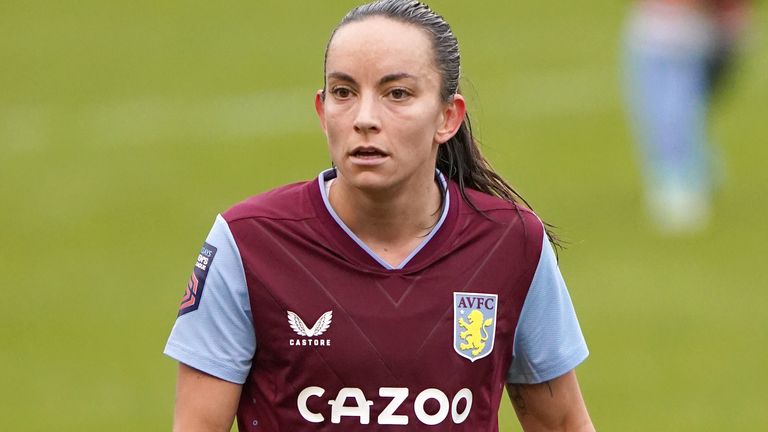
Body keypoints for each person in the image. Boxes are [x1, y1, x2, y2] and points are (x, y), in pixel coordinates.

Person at [164, 1, 594, 430]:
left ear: (448, 118)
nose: (364, 119)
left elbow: (562, 423)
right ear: (321, 110)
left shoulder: (511, 244)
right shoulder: (247, 244)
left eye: (397, 94)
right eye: (344, 92)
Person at [622, 0, 750, 233]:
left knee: (672, 108)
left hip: (684, 32)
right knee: (678, 107)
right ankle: (693, 170)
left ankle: (681, 183)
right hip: (686, 31)